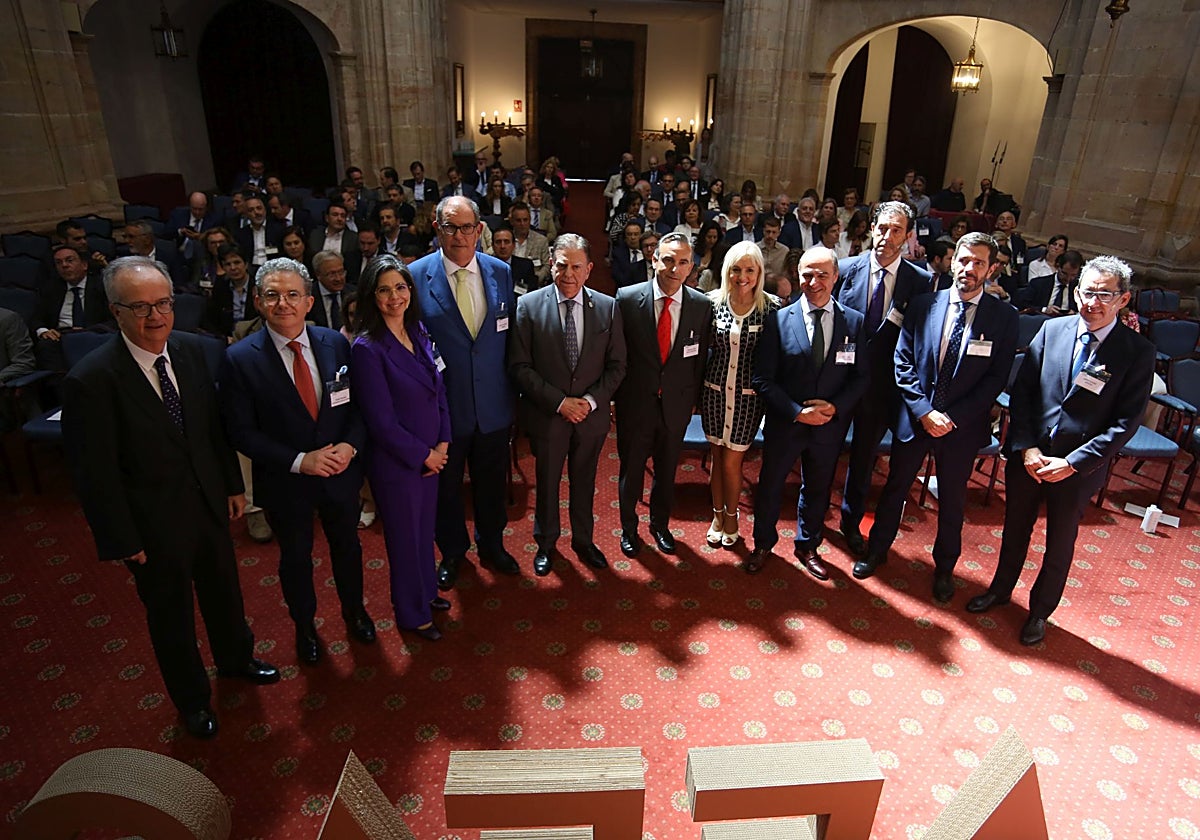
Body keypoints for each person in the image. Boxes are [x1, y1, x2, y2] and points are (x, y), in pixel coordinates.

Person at [61, 256, 278, 739]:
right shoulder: (91, 380)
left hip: (208, 504)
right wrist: (122, 538)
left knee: (224, 591)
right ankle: (193, 701)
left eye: (163, 303)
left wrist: (230, 484)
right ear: (114, 311)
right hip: (151, 524)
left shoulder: (191, 351)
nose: (155, 316)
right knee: (171, 615)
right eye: (139, 307)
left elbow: (210, 430)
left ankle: (237, 659)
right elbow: (94, 474)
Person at [966, 256, 1154, 646]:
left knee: (1059, 542)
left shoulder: (1136, 351)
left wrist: (1073, 462)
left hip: (1076, 468)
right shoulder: (1053, 330)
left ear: (1123, 299)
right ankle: (1000, 591)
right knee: (1015, 529)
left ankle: (1039, 612)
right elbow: (1024, 395)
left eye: (1104, 294)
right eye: (1087, 291)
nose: (1093, 302)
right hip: (1030, 458)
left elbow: (1125, 423)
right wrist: (1028, 447)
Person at [219, 258, 376, 665]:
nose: (283, 303)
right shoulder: (239, 358)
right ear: (258, 301)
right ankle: (305, 627)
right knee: (295, 559)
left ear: (309, 302)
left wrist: (350, 446)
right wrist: (299, 461)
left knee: (348, 548)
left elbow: (358, 407)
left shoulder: (335, 343)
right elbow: (240, 431)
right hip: (286, 481)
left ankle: (354, 611)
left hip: (341, 474)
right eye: (272, 295)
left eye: (292, 295)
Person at [855, 233, 1019, 597]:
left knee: (952, 499)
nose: (968, 269)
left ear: (991, 268)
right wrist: (925, 411)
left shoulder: (1004, 318)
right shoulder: (923, 304)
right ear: (952, 261)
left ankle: (945, 568)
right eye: (963, 260)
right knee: (895, 488)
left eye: (978, 262)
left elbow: (995, 378)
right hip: (916, 419)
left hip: (960, 428)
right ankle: (877, 550)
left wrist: (951, 417)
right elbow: (903, 360)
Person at [411, 196, 519, 589]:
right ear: (437, 229)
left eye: (467, 227)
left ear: (480, 230)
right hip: (442, 411)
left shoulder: (501, 272)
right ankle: (453, 552)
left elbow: (506, 340)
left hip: (492, 405)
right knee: (446, 488)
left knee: (491, 484)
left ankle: (492, 545)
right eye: (451, 227)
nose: (460, 236)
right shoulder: (416, 275)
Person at [509, 234, 627, 576]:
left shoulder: (608, 307)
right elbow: (519, 366)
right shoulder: (528, 306)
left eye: (577, 267)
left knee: (585, 481)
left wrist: (589, 402)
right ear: (550, 264)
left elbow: (618, 365)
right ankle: (546, 544)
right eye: (562, 265)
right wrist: (560, 403)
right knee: (546, 483)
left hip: (590, 417)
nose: (569, 274)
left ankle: (583, 541)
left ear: (589, 269)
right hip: (549, 416)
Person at [747, 246, 869, 576]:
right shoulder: (777, 320)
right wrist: (797, 412)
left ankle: (808, 545)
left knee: (817, 488)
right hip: (786, 424)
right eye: (807, 274)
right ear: (796, 275)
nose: (814, 282)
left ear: (836, 277)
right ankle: (762, 543)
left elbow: (861, 377)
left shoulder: (854, 323)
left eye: (822, 275)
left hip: (828, 426)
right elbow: (763, 379)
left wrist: (835, 407)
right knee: (770, 486)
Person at [351, 256, 452, 640]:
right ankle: (412, 614)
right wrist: (424, 454)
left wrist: (443, 441)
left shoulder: (419, 330)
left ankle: (427, 593)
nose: (394, 297)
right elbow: (381, 422)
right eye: (384, 289)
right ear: (371, 297)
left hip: (432, 453)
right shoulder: (367, 348)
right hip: (398, 463)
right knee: (405, 540)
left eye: (401, 287)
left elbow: (438, 388)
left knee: (424, 531)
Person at [834, 200, 932, 556]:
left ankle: (850, 523)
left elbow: (920, 338)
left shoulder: (920, 281)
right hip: (840, 382)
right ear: (871, 228)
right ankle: (812, 523)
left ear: (907, 236)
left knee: (863, 460)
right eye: (882, 228)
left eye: (896, 231)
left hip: (883, 388)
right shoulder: (843, 269)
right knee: (824, 454)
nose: (886, 237)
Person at [614, 232, 714, 557]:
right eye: (668, 259)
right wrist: (616, 400)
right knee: (631, 473)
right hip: (636, 405)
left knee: (667, 472)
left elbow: (698, 361)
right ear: (654, 259)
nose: (674, 268)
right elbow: (618, 357)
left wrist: (692, 404)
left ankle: (660, 525)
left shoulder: (701, 306)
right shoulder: (627, 299)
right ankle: (628, 529)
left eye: (682, 262)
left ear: (691, 267)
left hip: (676, 407)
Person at [699, 242, 780, 549]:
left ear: (759, 272)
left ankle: (732, 518)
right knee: (717, 457)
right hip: (714, 393)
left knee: (733, 462)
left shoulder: (772, 307)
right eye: (736, 269)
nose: (742, 276)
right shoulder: (712, 302)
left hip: (748, 398)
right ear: (727, 271)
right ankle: (717, 516)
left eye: (749, 269)